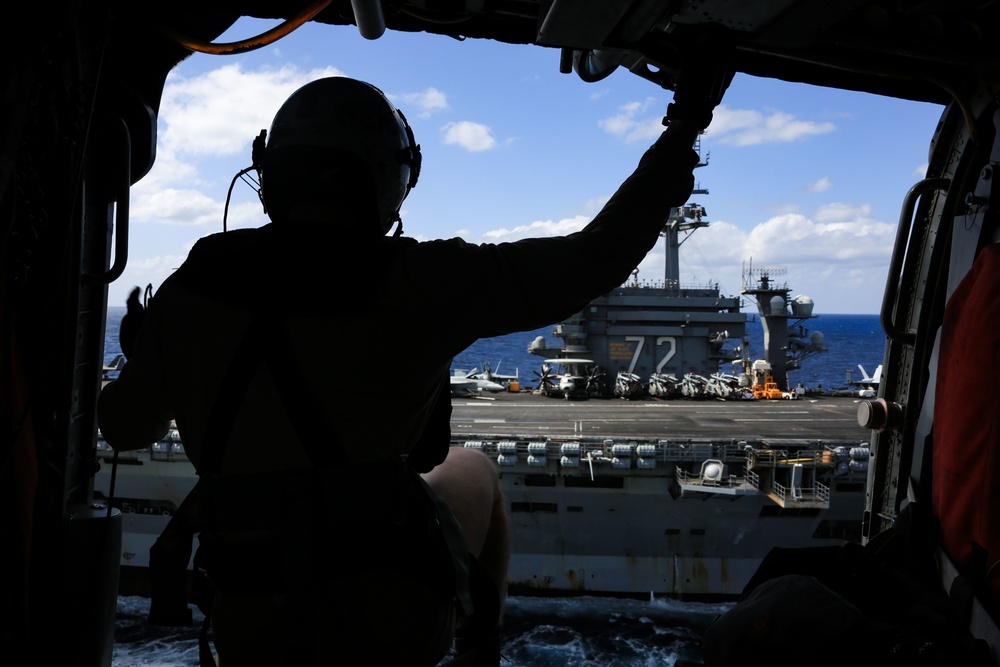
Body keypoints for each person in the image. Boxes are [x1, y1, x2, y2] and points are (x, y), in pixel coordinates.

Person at [98, 70, 725, 666]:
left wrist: (152, 348)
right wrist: (684, 127)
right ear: (389, 179)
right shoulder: (421, 279)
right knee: (475, 467)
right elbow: (591, 259)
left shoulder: (196, 282)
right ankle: (481, 649)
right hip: (382, 616)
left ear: (270, 175)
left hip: (247, 617)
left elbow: (124, 428)